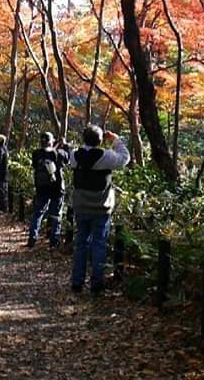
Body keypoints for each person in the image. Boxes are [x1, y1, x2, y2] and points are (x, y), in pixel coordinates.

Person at [70, 125, 129, 295]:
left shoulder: (75, 156)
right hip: (101, 209)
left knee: (81, 243)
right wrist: (116, 140)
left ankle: (77, 282)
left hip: (81, 207)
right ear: (100, 139)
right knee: (99, 245)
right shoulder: (106, 156)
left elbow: (69, 158)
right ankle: (97, 284)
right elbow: (125, 158)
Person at [27, 131, 70, 248]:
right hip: (57, 188)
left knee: (38, 213)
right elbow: (68, 159)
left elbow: (35, 165)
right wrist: (64, 145)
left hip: (42, 188)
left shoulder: (36, 154)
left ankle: (32, 238)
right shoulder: (59, 153)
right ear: (51, 142)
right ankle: (54, 241)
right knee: (56, 214)